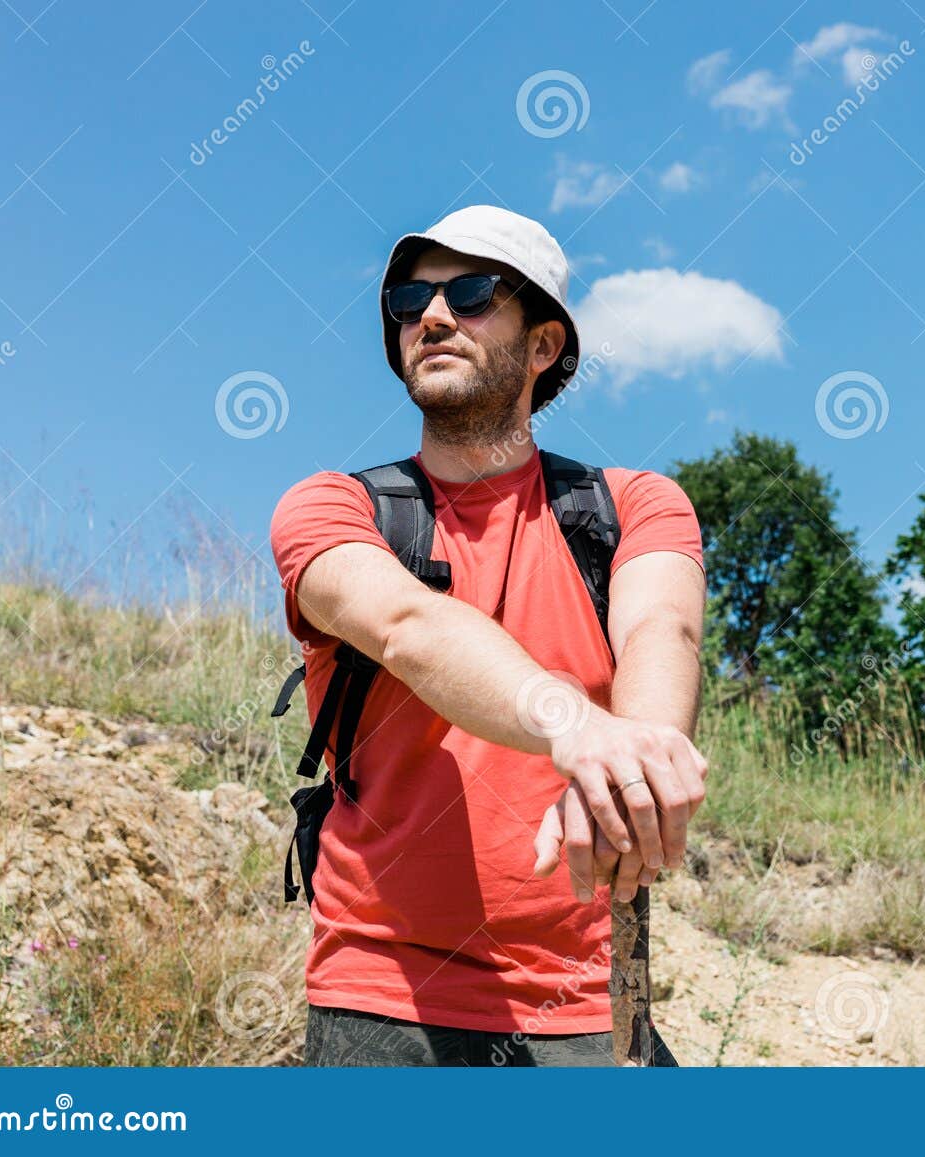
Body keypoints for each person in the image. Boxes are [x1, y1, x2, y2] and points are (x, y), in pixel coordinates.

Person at [269, 204, 708, 1066]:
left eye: (470, 295)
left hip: (589, 997)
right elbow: (407, 626)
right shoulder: (333, 507)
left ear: (543, 346)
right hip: (381, 998)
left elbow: (665, 626)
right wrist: (579, 727)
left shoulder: (635, 507)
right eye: (409, 299)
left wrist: (636, 759)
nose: (431, 317)